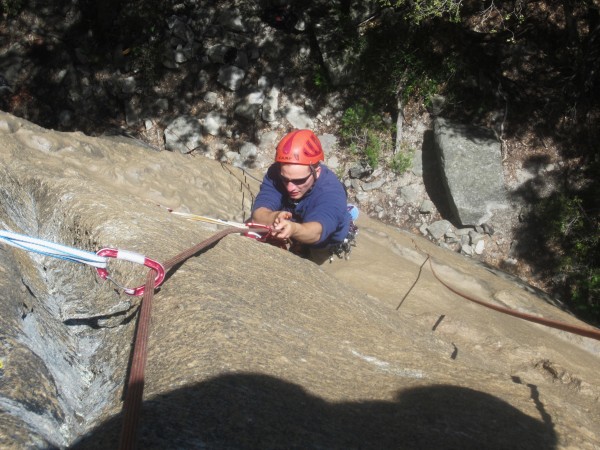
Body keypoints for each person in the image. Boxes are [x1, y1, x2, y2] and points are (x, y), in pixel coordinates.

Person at [251, 129, 355, 263]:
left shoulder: (332, 192)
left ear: (316, 172)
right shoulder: (276, 172)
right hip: (293, 222)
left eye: (299, 181)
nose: (290, 187)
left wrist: (293, 229)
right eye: (285, 179)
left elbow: (317, 232)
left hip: (322, 240)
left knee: (313, 258)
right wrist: (274, 218)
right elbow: (258, 214)